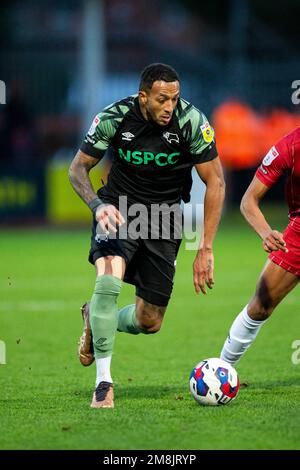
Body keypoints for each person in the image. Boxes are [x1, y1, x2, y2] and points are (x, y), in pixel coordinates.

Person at [69, 63, 225, 408]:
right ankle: (104, 385)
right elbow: (78, 167)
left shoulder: (192, 123)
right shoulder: (115, 116)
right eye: (162, 99)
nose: (170, 106)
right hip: (118, 207)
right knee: (108, 282)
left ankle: (94, 317)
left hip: (165, 218)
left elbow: (216, 181)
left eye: (175, 98)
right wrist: (97, 205)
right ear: (144, 97)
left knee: (149, 320)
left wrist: (205, 247)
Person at [220, 127, 300, 366]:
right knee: (261, 305)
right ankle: (222, 370)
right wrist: (266, 232)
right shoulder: (289, 146)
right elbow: (248, 200)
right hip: (297, 235)